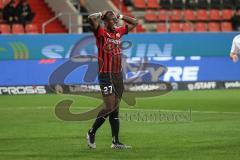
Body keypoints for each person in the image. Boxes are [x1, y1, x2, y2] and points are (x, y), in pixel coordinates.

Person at [87, 10, 138, 149]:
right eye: (111, 19)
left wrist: (120, 15)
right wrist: (100, 13)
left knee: (115, 109)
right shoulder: (101, 33)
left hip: (117, 75)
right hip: (106, 74)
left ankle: (115, 142)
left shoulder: (118, 32)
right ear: (104, 21)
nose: (114, 21)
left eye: (115, 19)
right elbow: (90, 18)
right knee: (109, 107)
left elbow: (135, 22)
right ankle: (91, 132)